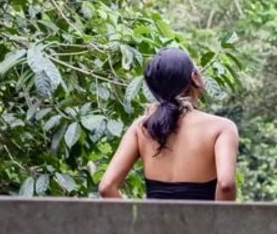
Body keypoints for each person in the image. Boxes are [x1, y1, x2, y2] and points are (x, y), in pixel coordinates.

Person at [99, 48, 238, 201]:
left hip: (153, 224)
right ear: (195, 77)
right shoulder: (221, 128)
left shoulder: (141, 127)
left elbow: (107, 187)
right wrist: (218, 224)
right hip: (202, 224)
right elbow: (226, 185)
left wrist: (136, 223)